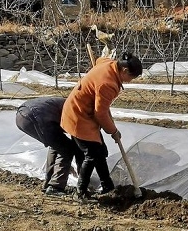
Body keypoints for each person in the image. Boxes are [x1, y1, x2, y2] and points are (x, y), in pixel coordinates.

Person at [61, 51, 143, 200]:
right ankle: (80, 192)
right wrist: (113, 131)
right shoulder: (108, 84)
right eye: (132, 77)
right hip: (79, 116)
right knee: (92, 155)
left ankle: (107, 186)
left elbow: (99, 59)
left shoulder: (108, 63)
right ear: (124, 70)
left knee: (100, 151)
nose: (131, 81)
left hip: (84, 112)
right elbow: (101, 114)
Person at [15, 96, 83, 196]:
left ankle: (49, 183)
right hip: (37, 116)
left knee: (57, 145)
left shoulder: (66, 104)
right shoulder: (77, 110)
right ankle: (55, 187)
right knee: (67, 149)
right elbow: (78, 142)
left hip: (21, 116)